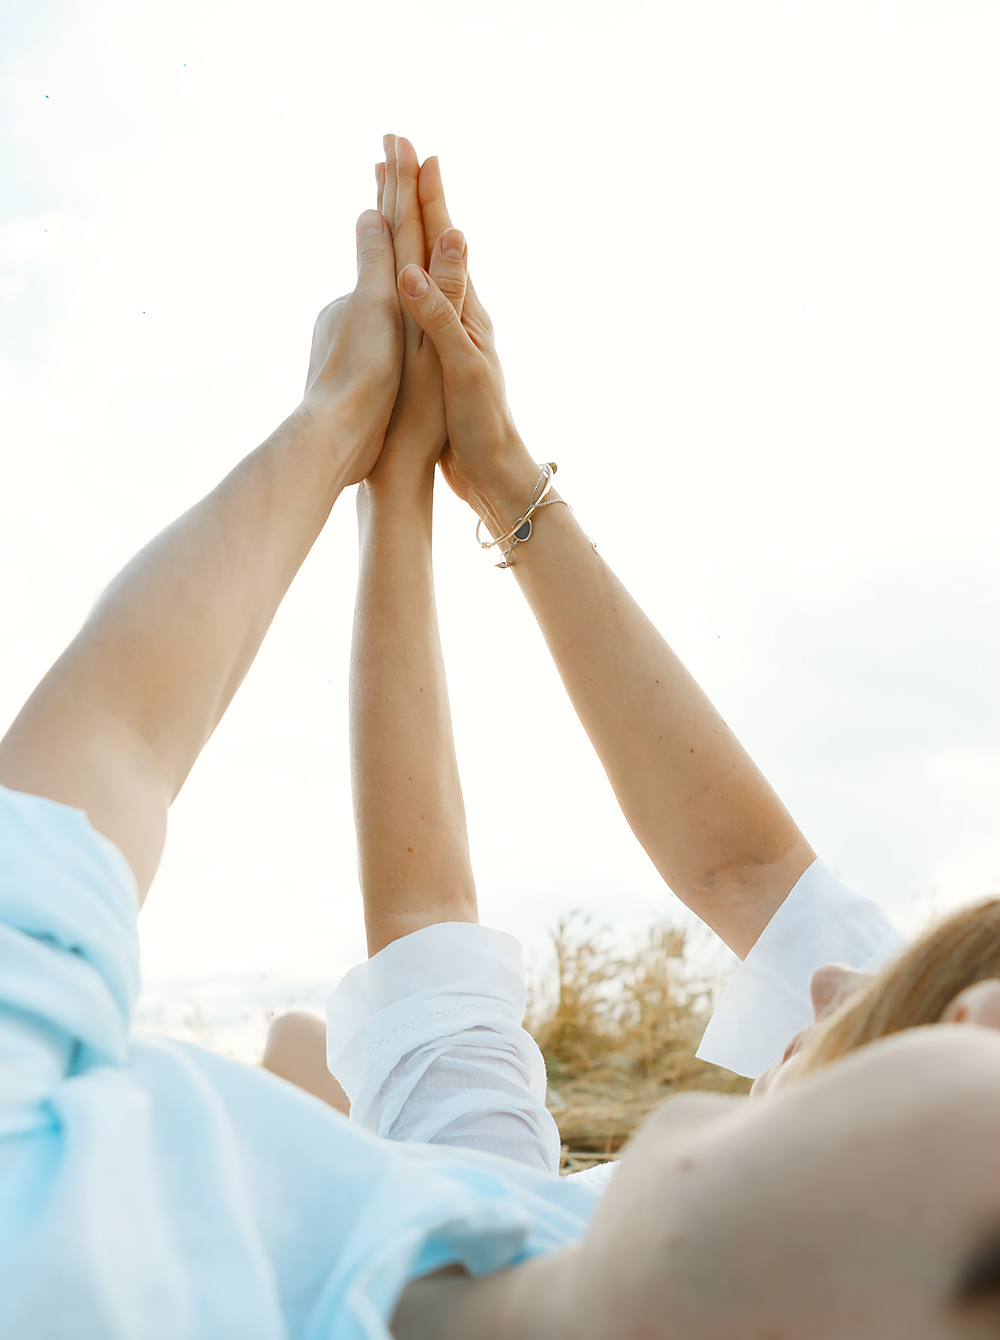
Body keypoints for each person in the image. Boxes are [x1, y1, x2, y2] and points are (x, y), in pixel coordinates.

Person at [3, 143, 1000, 1338]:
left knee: (302, 1049)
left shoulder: (74, 1256)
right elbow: (448, 936)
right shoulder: (526, 1234)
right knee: (307, 1046)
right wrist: (425, 482)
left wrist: (335, 425)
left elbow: (90, 774)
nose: (857, 985)